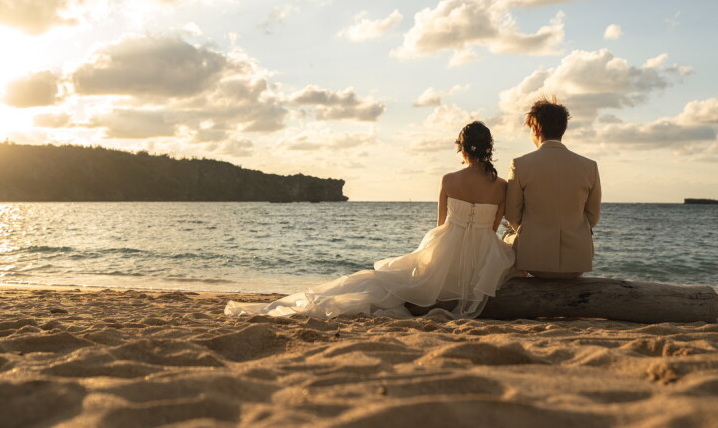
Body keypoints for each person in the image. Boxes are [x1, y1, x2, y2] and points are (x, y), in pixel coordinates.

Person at [225, 121, 516, 319]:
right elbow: (492, 229)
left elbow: (442, 223)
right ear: (488, 147)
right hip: (483, 255)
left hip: (446, 248)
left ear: (462, 148)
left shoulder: (449, 179)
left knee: (387, 279)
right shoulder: (501, 184)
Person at [504, 98, 601, 279]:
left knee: (505, 240)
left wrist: (530, 234)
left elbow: (511, 215)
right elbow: (593, 216)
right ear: (563, 129)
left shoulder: (520, 164)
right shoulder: (590, 166)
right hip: (577, 263)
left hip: (533, 261)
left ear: (536, 129)